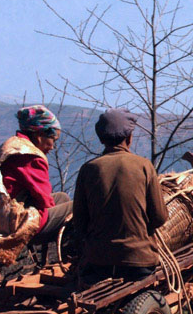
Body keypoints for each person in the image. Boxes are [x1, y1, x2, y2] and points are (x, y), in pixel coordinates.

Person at [72, 108, 169, 282]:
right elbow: (159, 218)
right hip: (139, 261)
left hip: (98, 262)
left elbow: (80, 222)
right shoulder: (144, 166)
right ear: (129, 138)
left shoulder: (88, 169)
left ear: (101, 139)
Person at [0, 105, 72, 261]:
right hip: (17, 223)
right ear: (40, 134)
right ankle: (70, 260)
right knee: (77, 209)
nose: (52, 147)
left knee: (61, 198)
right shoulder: (30, 156)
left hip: (0, 218)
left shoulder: (11, 146)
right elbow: (44, 199)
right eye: (52, 140)